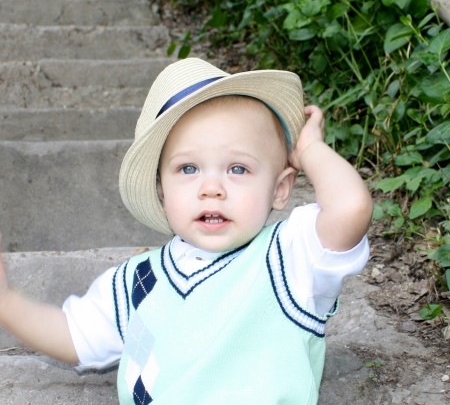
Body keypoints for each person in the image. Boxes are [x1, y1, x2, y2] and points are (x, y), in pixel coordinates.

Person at [0, 58, 373, 404]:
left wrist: (310, 150)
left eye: (238, 169)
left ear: (280, 189)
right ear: (162, 191)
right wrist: (8, 304)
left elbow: (349, 208)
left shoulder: (291, 258)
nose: (211, 188)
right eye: (188, 169)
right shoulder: (138, 283)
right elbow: (74, 336)